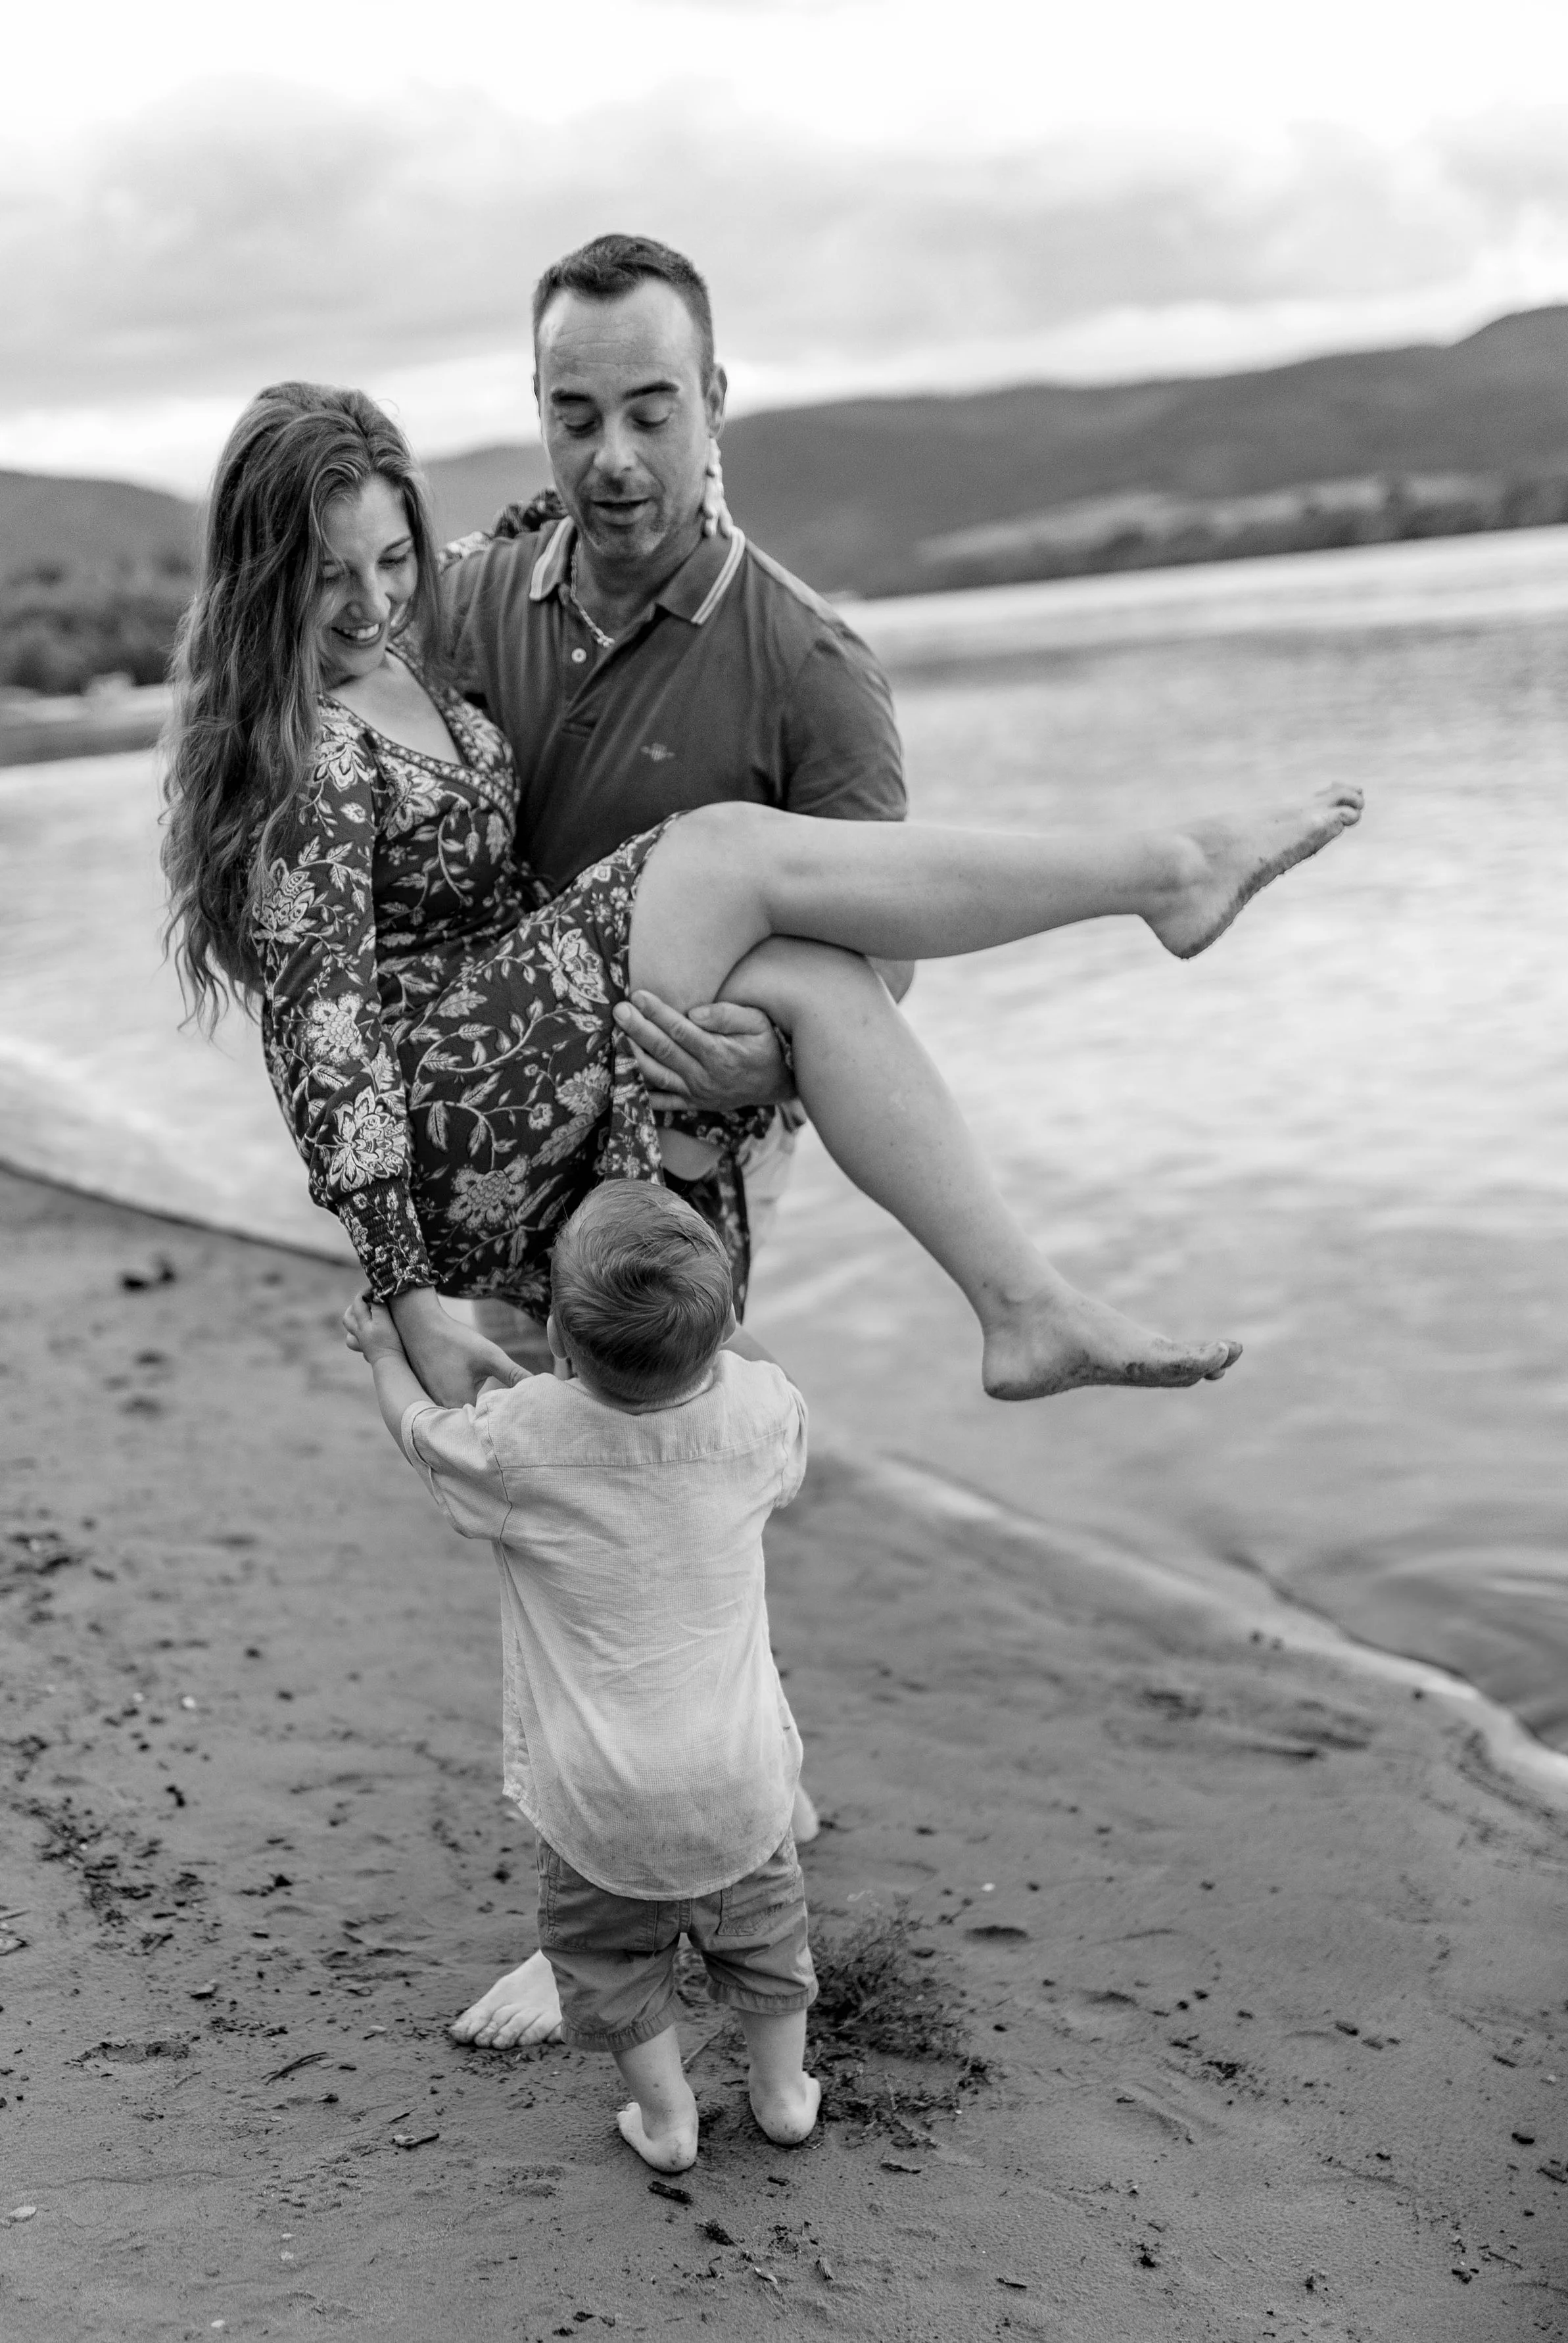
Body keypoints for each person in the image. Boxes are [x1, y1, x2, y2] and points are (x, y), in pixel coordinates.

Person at [160, 377, 1361, 2060]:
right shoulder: (298, 750)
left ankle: (1021, 1305)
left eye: (388, 562)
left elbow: (517, 566)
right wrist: (399, 1277)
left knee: (800, 973)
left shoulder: (423, 648)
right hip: (442, 1109)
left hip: (520, 1058)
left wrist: (512, 544)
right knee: (720, 853)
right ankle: (1162, 873)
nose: (367, 605)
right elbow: (324, 1035)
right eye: (328, 580)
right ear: (259, 582)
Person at [440, 231, 915, 1326]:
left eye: (652, 415)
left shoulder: (812, 665)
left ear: (714, 400)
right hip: (508, 1119)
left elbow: (885, 962)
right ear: (539, 409)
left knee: (656, 1434)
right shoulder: (464, 605)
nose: (613, 457)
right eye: (577, 417)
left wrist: (776, 1061)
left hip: (698, 1134)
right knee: (520, 1434)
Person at [343, 1180, 820, 2172]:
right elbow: (764, 1377)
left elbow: (420, 1433)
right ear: (727, 1321)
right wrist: (726, 1325)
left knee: (611, 1963)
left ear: (556, 1338)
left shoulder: (523, 1444)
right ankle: (782, 2097)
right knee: (767, 1943)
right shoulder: (759, 1416)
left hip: (600, 1804)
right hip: (744, 1786)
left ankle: (668, 2120)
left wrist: (389, 1354)